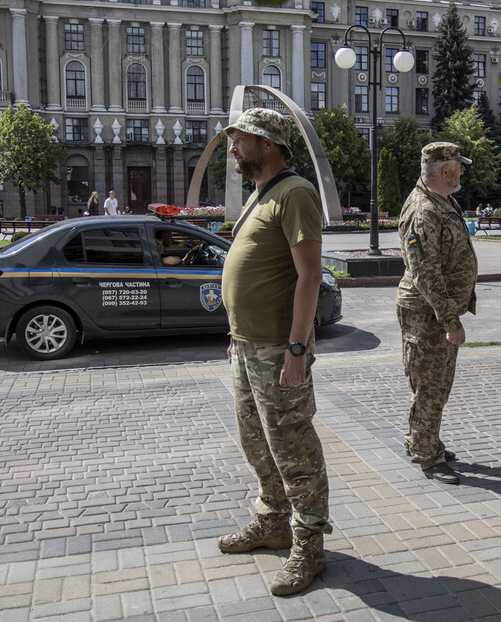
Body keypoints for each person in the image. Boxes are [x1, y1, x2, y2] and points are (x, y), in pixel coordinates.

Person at [217, 108, 330, 596]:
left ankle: (309, 544)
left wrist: (297, 349)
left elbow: (309, 276)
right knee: (256, 442)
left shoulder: (295, 192)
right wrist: (235, 335)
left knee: (292, 446)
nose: (232, 148)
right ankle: (273, 521)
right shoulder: (260, 195)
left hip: (278, 350)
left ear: (266, 143)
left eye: (238, 139)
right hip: (247, 346)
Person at [396, 142, 479, 485]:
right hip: (427, 314)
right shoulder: (423, 210)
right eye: (459, 165)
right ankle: (428, 455)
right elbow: (424, 272)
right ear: (446, 170)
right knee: (430, 385)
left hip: (438, 312)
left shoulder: (442, 202)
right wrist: (450, 321)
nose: (462, 171)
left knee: (438, 384)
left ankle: (422, 437)